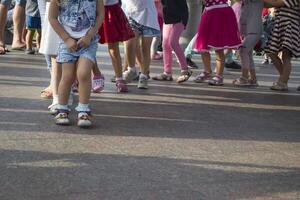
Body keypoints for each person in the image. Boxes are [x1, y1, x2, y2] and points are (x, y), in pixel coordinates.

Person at [49, 0, 104, 127]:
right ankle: (62, 109)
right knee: (67, 76)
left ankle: (83, 110)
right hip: (67, 41)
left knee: (83, 73)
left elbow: (100, 14)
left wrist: (90, 35)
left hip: (88, 42)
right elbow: (52, 18)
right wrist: (66, 38)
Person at [193, 0, 241, 86]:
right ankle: (207, 71)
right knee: (203, 45)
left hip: (221, 12)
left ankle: (219, 76)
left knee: (219, 47)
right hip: (209, 11)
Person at [122, 0, 160, 89]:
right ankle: (131, 69)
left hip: (148, 16)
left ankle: (143, 76)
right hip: (131, 15)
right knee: (129, 44)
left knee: (145, 49)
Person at [98, 0, 134, 92]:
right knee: (88, 46)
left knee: (113, 46)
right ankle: (95, 75)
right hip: (91, 10)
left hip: (110, 10)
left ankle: (119, 78)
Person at [152, 0, 192, 83]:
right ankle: (167, 73)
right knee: (165, 45)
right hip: (167, 17)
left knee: (173, 42)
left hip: (179, 16)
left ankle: (185, 70)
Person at [264, 0, 300, 91]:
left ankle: (283, 82)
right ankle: (284, 78)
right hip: (281, 24)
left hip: (290, 25)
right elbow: (269, 4)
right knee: (271, 52)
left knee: (286, 56)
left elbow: (274, 3)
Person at [232, 0, 263, 87]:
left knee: (243, 50)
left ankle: (244, 77)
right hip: (249, 30)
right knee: (248, 54)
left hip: (254, 29)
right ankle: (253, 79)